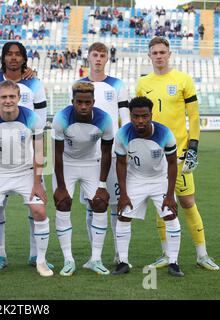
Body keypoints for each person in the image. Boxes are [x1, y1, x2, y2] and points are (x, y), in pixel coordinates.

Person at [136, 36, 219, 270]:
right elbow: (139, 119)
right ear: (149, 56)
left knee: (187, 201)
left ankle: (202, 254)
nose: (159, 56)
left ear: (169, 54)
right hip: (153, 155)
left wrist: (193, 146)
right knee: (160, 203)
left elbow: (193, 116)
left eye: (163, 52)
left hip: (179, 154)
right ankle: (166, 254)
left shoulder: (183, 80)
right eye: (155, 52)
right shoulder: (143, 83)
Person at [0, 41, 50, 270]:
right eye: (8, 54)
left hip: (26, 169)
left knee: (38, 210)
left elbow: (39, 144)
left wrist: (38, 181)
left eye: (17, 54)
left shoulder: (33, 91)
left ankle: (38, 258)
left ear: (18, 98)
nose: (13, 58)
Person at [112, 96, 184, 277]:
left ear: (151, 115)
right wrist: (123, 194)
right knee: (123, 215)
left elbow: (173, 164)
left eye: (144, 116)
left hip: (160, 179)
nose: (140, 121)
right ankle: (123, 261)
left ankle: (174, 262)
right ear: (131, 116)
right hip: (136, 178)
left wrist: (169, 195)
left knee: (170, 215)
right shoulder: (122, 134)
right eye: (136, 116)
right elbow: (120, 163)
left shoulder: (165, 133)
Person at [53, 82, 114, 276]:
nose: (83, 106)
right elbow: (57, 153)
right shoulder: (61, 118)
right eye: (79, 102)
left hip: (91, 163)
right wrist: (61, 185)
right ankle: (68, 260)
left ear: (93, 101)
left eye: (87, 102)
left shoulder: (104, 119)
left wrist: (103, 184)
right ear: (72, 101)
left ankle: (95, 259)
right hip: (67, 163)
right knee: (62, 203)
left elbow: (106, 152)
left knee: (100, 203)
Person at [78, 42, 130, 266]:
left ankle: (120, 255)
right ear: (88, 57)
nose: (98, 59)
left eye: (102, 55)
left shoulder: (117, 85)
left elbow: (126, 119)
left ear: (107, 58)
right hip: (88, 156)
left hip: (113, 154)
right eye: (95, 55)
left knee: (117, 206)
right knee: (93, 205)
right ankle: (95, 255)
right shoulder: (79, 85)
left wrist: (124, 148)